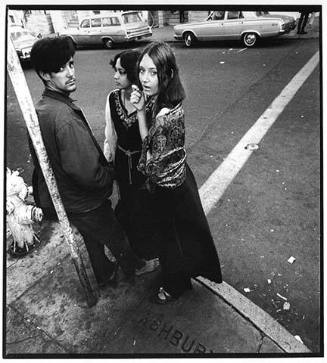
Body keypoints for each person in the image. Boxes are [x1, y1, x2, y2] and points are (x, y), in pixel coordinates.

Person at [29, 36, 147, 288]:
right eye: (60, 69)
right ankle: (134, 267)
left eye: (71, 64)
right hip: (85, 201)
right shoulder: (63, 118)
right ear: (44, 74)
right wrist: (108, 177)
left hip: (67, 198)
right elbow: (86, 172)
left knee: (93, 240)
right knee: (115, 236)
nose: (70, 73)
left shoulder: (42, 109)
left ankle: (104, 274)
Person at [130, 41, 223, 304]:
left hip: (169, 189)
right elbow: (150, 143)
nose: (145, 79)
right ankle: (177, 277)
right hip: (178, 179)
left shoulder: (163, 116)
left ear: (167, 74)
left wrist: (139, 116)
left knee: (173, 244)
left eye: (152, 72)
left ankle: (175, 286)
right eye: (142, 71)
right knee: (181, 240)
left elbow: (149, 160)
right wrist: (140, 111)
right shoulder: (165, 99)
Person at [104, 49, 159, 272]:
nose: (115, 76)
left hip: (141, 166)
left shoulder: (149, 101)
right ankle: (130, 250)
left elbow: (154, 140)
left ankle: (145, 252)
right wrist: (110, 161)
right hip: (121, 161)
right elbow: (110, 133)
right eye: (115, 71)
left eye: (120, 72)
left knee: (143, 208)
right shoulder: (112, 97)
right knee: (126, 203)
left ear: (134, 74)